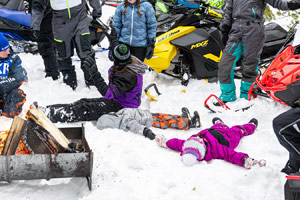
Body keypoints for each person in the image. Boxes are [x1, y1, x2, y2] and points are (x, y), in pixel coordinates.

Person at [216, 0, 300, 104]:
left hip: (253, 28)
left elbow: (278, 3)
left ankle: (247, 94)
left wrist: (293, 4)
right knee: (225, 64)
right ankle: (227, 95)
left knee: (250, 64)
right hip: (235, 30)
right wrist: (225, 28)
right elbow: (228, 10)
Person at [42, 44, 147, 123]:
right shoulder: (127, 65)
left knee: (84, 109)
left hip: (123, 108)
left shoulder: (128, 76)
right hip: (117, 101)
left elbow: (108, 93)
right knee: (83, 102)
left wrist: (94, 73)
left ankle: (49, 115)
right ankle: (49, 110)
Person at [155, 116, 266, 169]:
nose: (197, 138)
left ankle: (219, 123)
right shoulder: (216, 150)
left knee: (217, 126)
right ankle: (251, 126)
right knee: (238, 130)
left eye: (195, 139)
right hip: (229, 138)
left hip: (214, 130)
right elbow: (230, 155)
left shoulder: (188, 145)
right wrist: (244, 160)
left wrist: (165, 142)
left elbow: (177, 143)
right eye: (198, 141)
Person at [49, 0, 102, 89]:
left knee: (85, 49)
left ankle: (91, 79)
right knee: (63, 51)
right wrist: (36, 20)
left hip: (79, 15)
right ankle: (69, 81)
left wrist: (97, 9)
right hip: (59, 18)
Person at [96, 107, 201, 140]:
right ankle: (190, 123)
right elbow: (136, 126)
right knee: (168, 122)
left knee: (166, 116)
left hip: (147, 114)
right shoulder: (125, 121)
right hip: (150, 121)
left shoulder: (120, 114)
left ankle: (182, 117)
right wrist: (146, 132)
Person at [30, 0, 60, 80]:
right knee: (51, 43)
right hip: (52, 13)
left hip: (45, 17)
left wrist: (35, 27)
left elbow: (38, 7)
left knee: (45, 45)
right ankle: (55, 68)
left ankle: (52, 73)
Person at [0, 33, 27, 118]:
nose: (8, 52)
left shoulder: (13, 58)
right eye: (4, 50)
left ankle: (9, 118)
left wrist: (3, 84)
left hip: (7, 94)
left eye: (8, 48)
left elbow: (20, 76)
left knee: (18, 95)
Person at [273, 108, 300, 175]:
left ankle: (290, 170)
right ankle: (290, 170)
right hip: (282, 127)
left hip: (285, 124)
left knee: (296, 146)